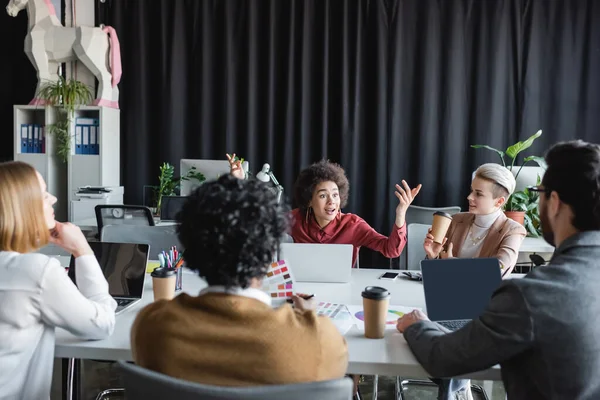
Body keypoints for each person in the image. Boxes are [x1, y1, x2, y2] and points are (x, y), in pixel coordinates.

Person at [397, 140, 600, 399]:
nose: (470, 198)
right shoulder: (459, 222)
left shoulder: (529, 297)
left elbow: (445, 358)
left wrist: (416, 325)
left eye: (540, 192)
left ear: (555, 202)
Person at [131, 175, 348, 385]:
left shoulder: (151, 325)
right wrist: (308, 316)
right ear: (271, 250)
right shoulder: (319, 338)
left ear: (191, 248)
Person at [0, 161, 116, 400]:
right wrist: (82, 249)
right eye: (43, 195)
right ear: (23, 208)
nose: (53, 199)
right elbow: (101, 324)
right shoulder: (36, 272)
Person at [227, 153, 422, 267]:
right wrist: (239, 183)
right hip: (304, 291)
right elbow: (256, 225)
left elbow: (391, 250)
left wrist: (400, 214)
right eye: (322, 195)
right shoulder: (294, 219)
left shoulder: (353, 225)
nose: (331, 201)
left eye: (335, 195)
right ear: (309, 200)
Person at [423, 163, 527, 276]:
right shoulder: (456, 220)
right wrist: (432, 257)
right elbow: (435, 272)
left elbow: (498, 269)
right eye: (472, 190)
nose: (469, 197)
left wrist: (454, 265)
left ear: (499, 202)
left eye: (478, 194)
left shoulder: (513, 230)